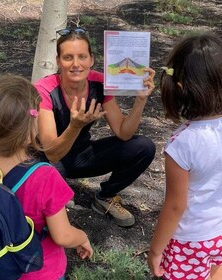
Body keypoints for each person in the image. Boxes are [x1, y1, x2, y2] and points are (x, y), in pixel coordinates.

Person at [0, 75, 93, 280]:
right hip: (39, 272)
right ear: (28, 133)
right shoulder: (45, 177)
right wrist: (82, 237)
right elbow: (62, 236)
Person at [147, 34, 222, 280]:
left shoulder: (181, 144)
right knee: (220, 268)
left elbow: (175, 205)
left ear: (180, 88)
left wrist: (155, 250)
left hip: (191, 238)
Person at [34, 28, 156, 228]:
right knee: (47, 173)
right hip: (48, 160)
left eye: (82, 56)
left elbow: (123, 133)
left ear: (91, 59)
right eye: (68, 57)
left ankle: (105, 197)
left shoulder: (100, 82)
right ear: (58, 61)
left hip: (82, 155)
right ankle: (53, 202)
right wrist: (75, 126)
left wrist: (140, 101)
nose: (76, 64)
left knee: (143, 146)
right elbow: (52, 153)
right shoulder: (44, 89)